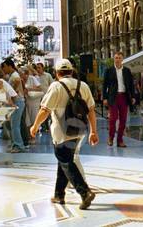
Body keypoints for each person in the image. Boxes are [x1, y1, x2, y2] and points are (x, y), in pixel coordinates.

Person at [29, 59, 98, 210]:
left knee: (66, 161)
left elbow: (44, 110)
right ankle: (59, 194)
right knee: (64, 161)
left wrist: (35, 126)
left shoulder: (56, 86)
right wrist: (93, 131)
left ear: (57, 73)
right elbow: (92, 110)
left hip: (61, 132)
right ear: (72, 71)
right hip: (79, 131)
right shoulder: (83, 85)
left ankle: (84, 192)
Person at [101, 52, 135, 147]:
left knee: (123, 119)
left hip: (124, 97)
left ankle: (120, 140)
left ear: (122, 59)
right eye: (116, 58)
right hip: (113, 97)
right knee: (113, 118)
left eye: (119, 58)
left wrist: (133, 96)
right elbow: (104, 85)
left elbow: (131, 85)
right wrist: (104, 98)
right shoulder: (109, 70)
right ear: (114, 59)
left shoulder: (127, 71)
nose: (118, 59)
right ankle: (111, 138)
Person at [1, 59, 27, 152]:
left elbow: (17, 81)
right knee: (13, 125)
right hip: (17, 102)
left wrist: (13, 93)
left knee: (15, 125)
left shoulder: (15, 75)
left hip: (17, 102)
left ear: (9, 66)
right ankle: (15, 144)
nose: (3, 69)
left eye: (4, 67)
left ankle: (19, 145)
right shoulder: (12, 75)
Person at [25, 65, 46, 139]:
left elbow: (40, 88)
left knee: (33, 118)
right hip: (27, 101)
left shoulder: (33, 78)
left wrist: (29, 89)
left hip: (34, 101)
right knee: (28, 120)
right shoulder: (23, 79)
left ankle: (33, 136)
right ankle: (30, 136)